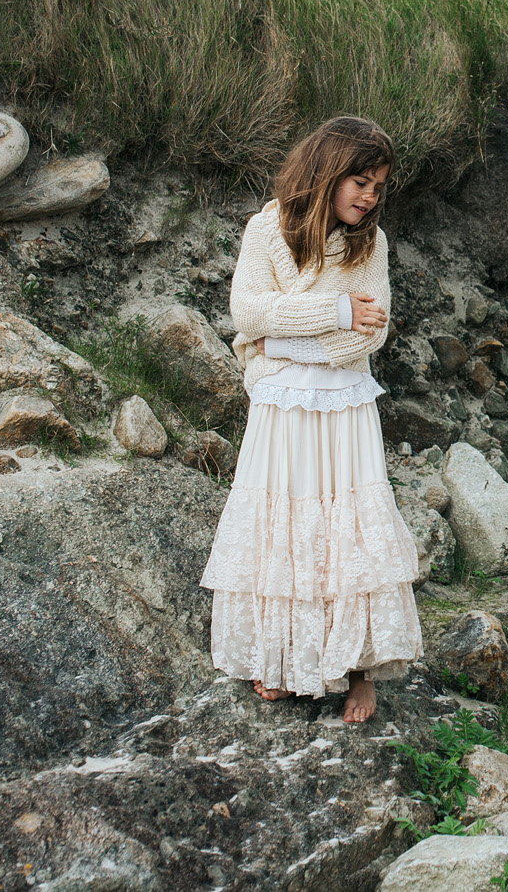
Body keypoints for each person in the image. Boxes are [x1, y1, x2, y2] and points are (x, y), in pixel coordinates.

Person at [199, 115, 422, 722]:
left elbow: (365, 339)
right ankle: (277, 659)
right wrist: (335, 310)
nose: (370, 196)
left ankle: (360, 672)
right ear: (327, 172)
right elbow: (247, 311)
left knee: (345, 526)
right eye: (359, 181)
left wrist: (283, 336)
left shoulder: (370, 244)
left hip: (346, 404)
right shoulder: (268, 228)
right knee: (282, 525)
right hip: (280, 405)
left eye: (379, 185)